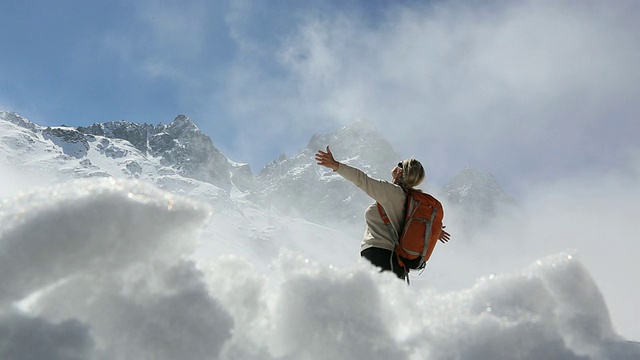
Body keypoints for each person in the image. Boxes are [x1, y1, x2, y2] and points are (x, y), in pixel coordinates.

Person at [315, 146, 450, 279]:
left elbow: (362, 180)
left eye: (399, 164)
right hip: (392, 261)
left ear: (400, 171)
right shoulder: (408, 199)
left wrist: (336, 165)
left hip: (380, 255)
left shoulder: (392, 192)